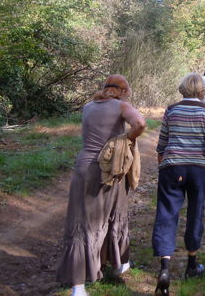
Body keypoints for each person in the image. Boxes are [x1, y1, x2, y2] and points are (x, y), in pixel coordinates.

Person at [57, 75, 146, 296]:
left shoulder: (88, 106)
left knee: (83, 221)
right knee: (112, 213)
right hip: (110, 168)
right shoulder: (122, 106)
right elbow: (140, 124)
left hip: (84, 167)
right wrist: (125, 139)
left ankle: (86, 281)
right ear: (122, 91)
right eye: (128, 91)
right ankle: (113, 267)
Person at [152, 73, 205, 295]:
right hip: (199, 170)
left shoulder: (171, 110)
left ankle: (165, 269)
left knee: (166, 214)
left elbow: (161, 145)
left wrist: (164, 163)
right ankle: (191, 265)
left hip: (172, 168)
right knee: (196, 212)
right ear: (202, 90)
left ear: (182, 89)